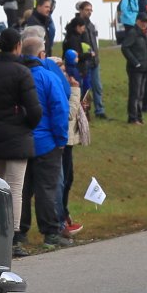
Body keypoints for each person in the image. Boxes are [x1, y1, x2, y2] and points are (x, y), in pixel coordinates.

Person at [0, 28, 42, 258]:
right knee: (14, 188)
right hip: (17, 137)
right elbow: (34, 110)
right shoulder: (22, 72)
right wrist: (26, 125)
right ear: (18, 46)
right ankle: (13, 240)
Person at [21, 29, 72, 248]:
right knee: (47, 189)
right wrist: (61, 140)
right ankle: (50, 233)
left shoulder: (17, 76)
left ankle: (19, 234)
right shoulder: (48, 77)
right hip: (46, 142)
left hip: (20, 142)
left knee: (21, 191)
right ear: (42, 54)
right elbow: (60, 109)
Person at [59, 53, 89, 236]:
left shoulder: (64, 84)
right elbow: (68, 113)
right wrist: (76, 91)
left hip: (68, 140)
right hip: (62, 140)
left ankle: (64, 214)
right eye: (61, 70)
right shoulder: (60, 86)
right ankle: (60, 219)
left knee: (68, 179)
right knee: (62, 181)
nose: (65, 74)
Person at [119, 13, 147, 125]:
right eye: (142, 21)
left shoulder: (146, 33)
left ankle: (139, 117)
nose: (144, 23)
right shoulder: (133, 33)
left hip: (145, 68)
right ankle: (132, 118)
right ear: (137, 21)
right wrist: (135, 62)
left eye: (146, 21)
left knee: (141, 94)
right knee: (135, 93)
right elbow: (125, 48)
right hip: (135, 69)